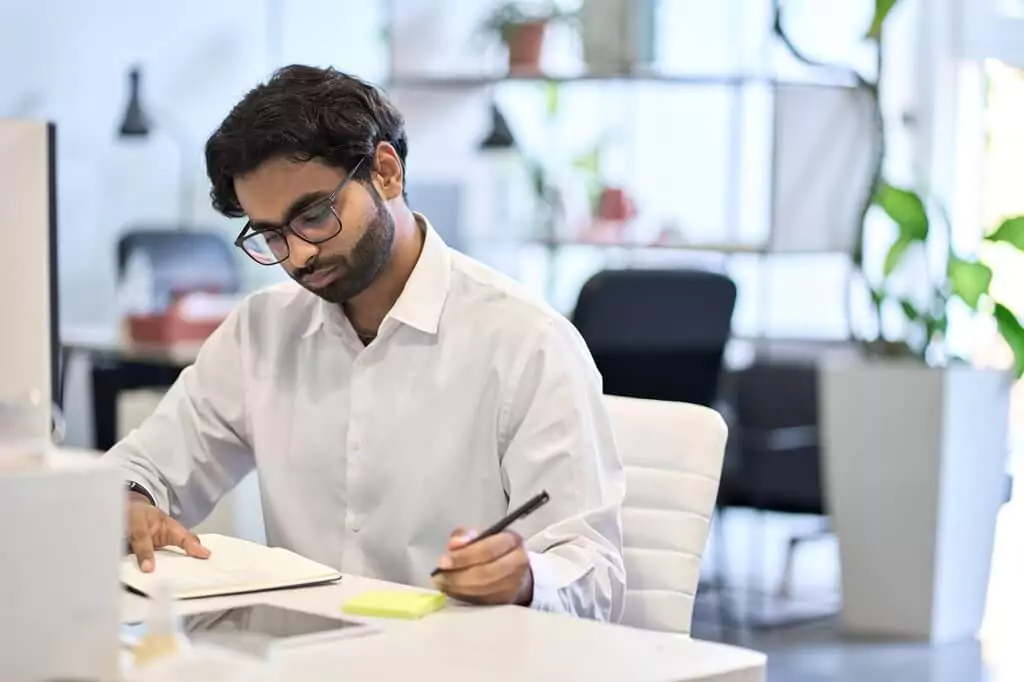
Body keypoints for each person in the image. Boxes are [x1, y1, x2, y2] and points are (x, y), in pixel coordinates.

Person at [105, 65, 626, 621]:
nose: (298, 255)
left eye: (313, 215)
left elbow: (593, 572)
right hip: (298, 660)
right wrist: (131, 501)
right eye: (272, 234)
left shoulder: (526, 343)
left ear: (385, 171)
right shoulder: (262, 330)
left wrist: (525, 579)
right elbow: (143, 466)